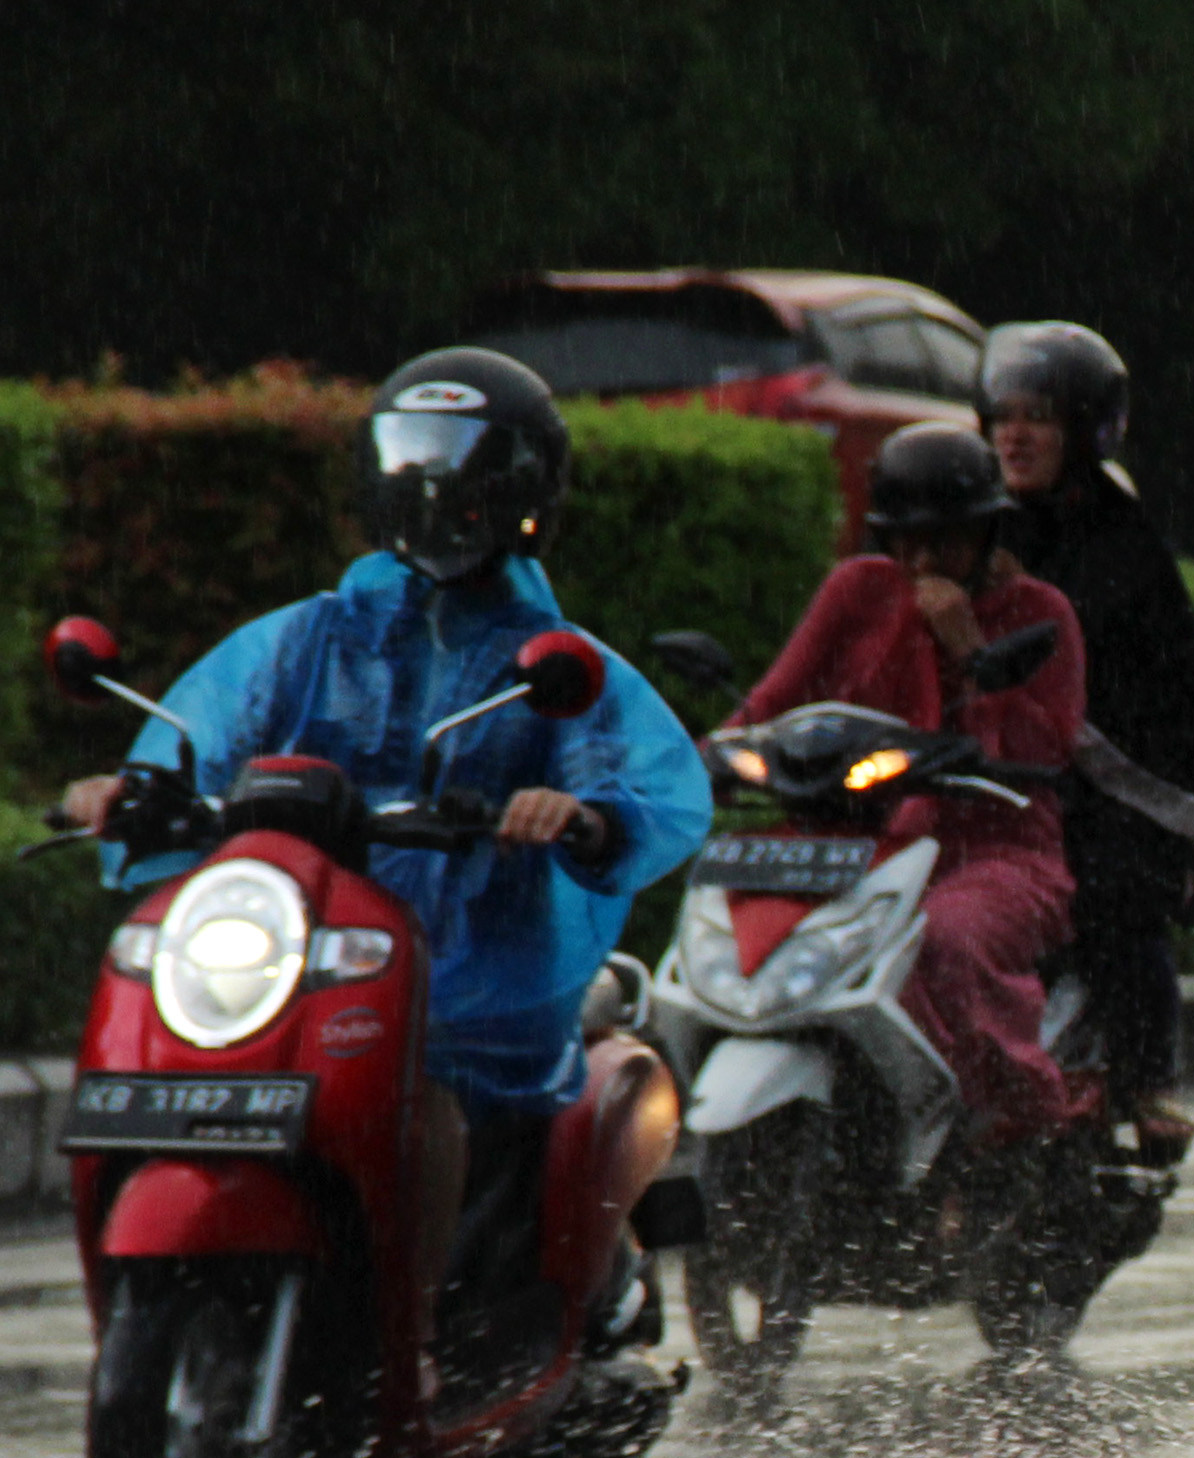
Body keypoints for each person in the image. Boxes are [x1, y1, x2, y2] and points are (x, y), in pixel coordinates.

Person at [60, 345, 712, 1318]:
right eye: (410, 454)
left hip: (478, 980)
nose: (431, 486)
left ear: (520, 484)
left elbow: (646, 783)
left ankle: (424, 1325)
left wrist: (584, 815)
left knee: (428, 1102)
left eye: (457, 461)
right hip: (310, 954)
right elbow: (207, 729)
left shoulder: (552, 660)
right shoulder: (311, 637)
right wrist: (137, 788)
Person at [729, 423, 1096, 1146]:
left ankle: (1013, 1115)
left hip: (997, 849)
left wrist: (972, 651)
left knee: (942, 941)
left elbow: (1047, 746)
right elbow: (772, 701)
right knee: (747, 919)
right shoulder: (857, 590)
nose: (922, 561)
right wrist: (709, 756)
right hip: (867, 841)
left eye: (947, 542)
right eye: (906, 542)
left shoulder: (1042, 613)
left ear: (988, 534)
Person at [985, 320, 1194, 1159]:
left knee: (1114, 892)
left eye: (1038, 417)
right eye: (1002, 414)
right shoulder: (976, 525)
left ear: (1083, 432)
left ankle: (1145, 1074)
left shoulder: (1125, 544)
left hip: (1106, 797)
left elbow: (1151, 707)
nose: (1013, 435)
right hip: (986, 776)